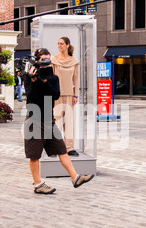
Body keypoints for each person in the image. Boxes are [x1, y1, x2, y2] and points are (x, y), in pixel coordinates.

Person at [24, 48, 94, 194]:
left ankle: (75, 177)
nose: (46, 63)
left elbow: (55, 95)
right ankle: (38, 185)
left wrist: (44, 81)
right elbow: (31, 98)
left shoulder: (52, 77)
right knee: (34, 155)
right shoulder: (30, 77)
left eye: (48, 59)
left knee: (62, 150)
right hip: (34, 120)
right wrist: (33, 79)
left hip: (49, 120)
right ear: (37, 61)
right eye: (43, 60)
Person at [51, 37, 80, 157]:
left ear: (68, 45)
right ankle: (54, 148)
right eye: (58, 44)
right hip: (56, 95)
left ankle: (69, 148)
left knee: (69, 122)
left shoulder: (74, 61)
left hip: (69, 95)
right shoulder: (53, 60)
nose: (59, 46)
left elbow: (76, 79)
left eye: (62, 44)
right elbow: (51, 78)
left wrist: (76, 95)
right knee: (56, 122)